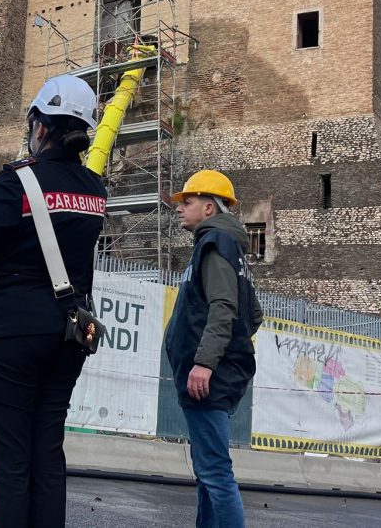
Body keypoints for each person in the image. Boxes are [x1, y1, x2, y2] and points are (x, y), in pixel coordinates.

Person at [0, 74, 106, 528]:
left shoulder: (17, 181)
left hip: (10, 332)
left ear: (39, 126)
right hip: (69, 332)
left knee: (6, 465)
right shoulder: (96, 190)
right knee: (46, 459)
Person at [163, 170, 264, 528]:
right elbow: (253, 314)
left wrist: (206, 362)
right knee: (208, 473)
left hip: (208, 378)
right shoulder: (228, 246)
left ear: (208, 208)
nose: (179, 208)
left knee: (216, 474)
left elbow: (225, 308)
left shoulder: (215, 244)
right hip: (217, 374)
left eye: (187, 202)